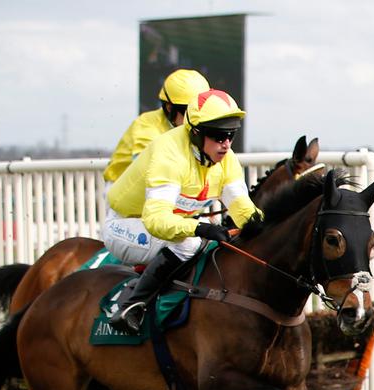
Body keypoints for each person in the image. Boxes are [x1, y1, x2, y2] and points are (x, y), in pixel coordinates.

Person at [102, 88, 260, 334]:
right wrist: (201, 227)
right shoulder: (170, 154)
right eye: (219, 136)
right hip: (126, 226)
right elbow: (156, 220)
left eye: (231, 135)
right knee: (189, 243)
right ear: (196, 132)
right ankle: (131, 306)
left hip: (168, 227)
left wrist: (263, 224)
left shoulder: (226, 159)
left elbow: (243, 208)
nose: (226, 144)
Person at [102, 69, 211, 183]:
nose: (197, 119)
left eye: (202, 111)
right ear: (170, 108)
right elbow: (150, 168)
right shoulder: (146, 125)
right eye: (189, 112)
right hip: (123, 189)